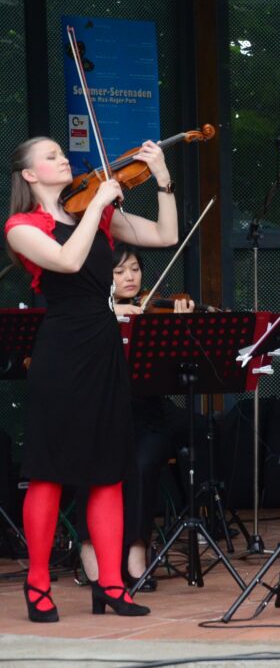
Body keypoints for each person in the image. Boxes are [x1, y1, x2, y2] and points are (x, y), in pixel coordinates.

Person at [5, 137, 180, 621]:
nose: (63, 159)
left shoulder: (95, 212)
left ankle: (111, 584)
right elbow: (68, 261)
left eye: (62, 153)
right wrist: (99, 203)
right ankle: (38, 584)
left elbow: (165, 235)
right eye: (51, 156)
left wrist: (163, 178)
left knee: (108, 471)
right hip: (62, 350)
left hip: (103, 346)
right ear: (29, 175)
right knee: (49, 472)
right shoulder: (21, 227)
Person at [77, 244, 194, 592]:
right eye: (119, 271)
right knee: (92, 459)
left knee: (143, 463)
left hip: (147, 417)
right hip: (99, 415)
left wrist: (182, 324)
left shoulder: (152, 310)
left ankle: (137, 548)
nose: (129, 277)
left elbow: (177, 366)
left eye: (135, 269)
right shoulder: (87, 313)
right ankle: (88, 546)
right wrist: (107, 316)